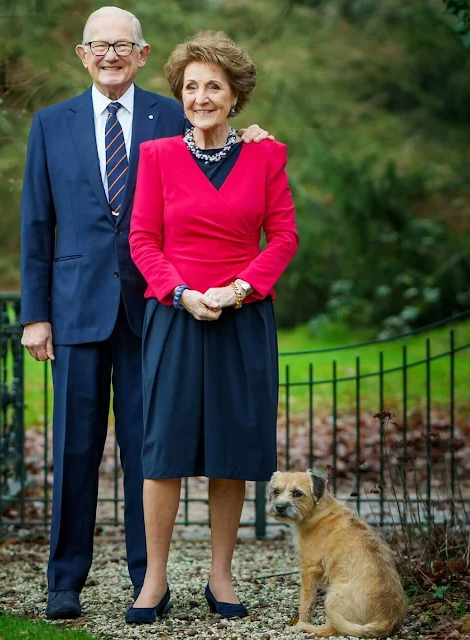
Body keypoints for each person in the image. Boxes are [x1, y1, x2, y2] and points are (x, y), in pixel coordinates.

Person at [19, 7, 271, 621]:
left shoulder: (171, 110)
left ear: (141, 53)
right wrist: (36, 314)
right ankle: (64, 581)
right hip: (76, 310)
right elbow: (37, 225)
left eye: (122, 46)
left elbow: (225, 154)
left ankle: (145, 580)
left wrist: (256, 139)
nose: (110, 55)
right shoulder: (51, 125)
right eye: (98, 46)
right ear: (83, 55)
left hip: (153, 311)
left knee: (147, 451)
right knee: (75, 451)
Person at [126, 31, 299, 624]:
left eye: (214, 87)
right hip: (175, 316)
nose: (201, 97)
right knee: (163, 451)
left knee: (230, 451)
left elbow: (283, 237)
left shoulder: (266, 156)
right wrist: (182, 293)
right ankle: (153, 581)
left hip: (244, 319)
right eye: (191, 87)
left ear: (234, 97)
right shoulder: (156, 157)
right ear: (180, 94)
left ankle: (220, 578)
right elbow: (143, 240)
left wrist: (239, 289)